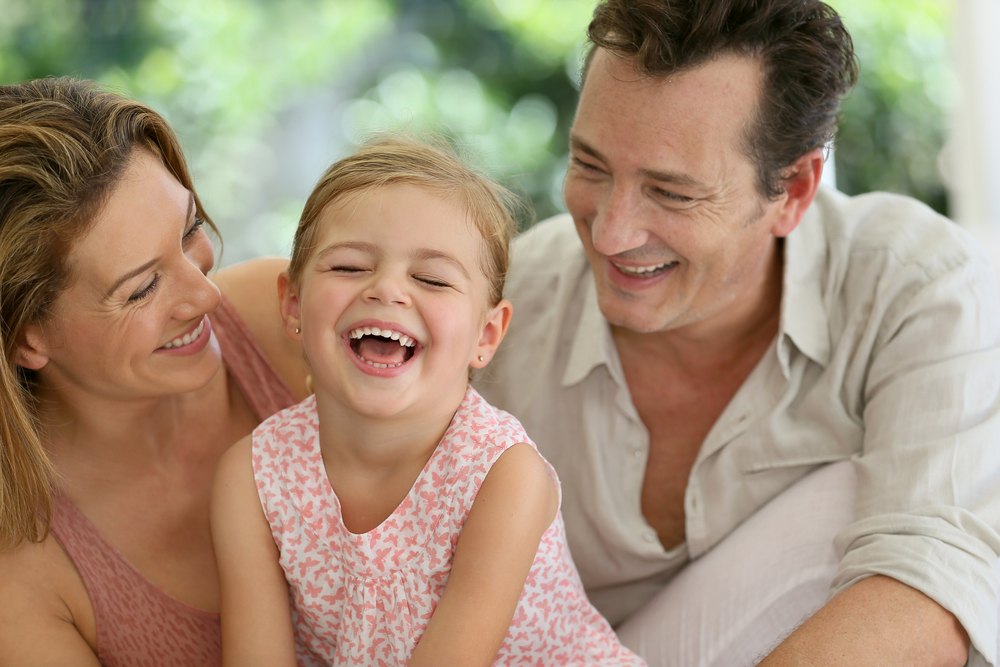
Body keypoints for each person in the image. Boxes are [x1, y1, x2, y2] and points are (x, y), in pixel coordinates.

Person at [475, 1, 1000, 666]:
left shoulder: (914, 280)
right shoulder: (497, 305)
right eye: (590, 165)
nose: (610, 231)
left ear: (794, 190)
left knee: (852, 500)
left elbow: (933, 584)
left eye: (671, 193)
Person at [209, 136, 644, 666]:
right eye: (349, 267)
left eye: (432, 278)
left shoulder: (504, 478)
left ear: (486, 335)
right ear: (293, 303)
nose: (387, 289)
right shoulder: (252, 477)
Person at [0, 77, 310, 665]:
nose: (206, 296)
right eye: (142, 288)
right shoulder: (22, 578)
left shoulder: (288, 320)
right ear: (26, 340)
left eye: (189, 229)